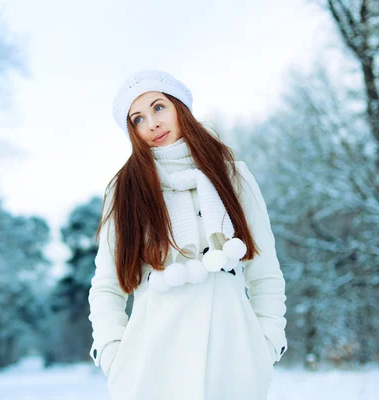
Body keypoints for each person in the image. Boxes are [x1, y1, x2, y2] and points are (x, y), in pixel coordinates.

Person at [87, 70, 287, 400]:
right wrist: (114, 354)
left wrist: (266, 341)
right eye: (137, 118)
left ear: (180, 108)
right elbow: (107, 284)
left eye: (159, 107)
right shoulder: (124, 189)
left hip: (233, 353)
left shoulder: (231, 173)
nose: (152, 123)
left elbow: (264, 268)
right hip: (151, 363)